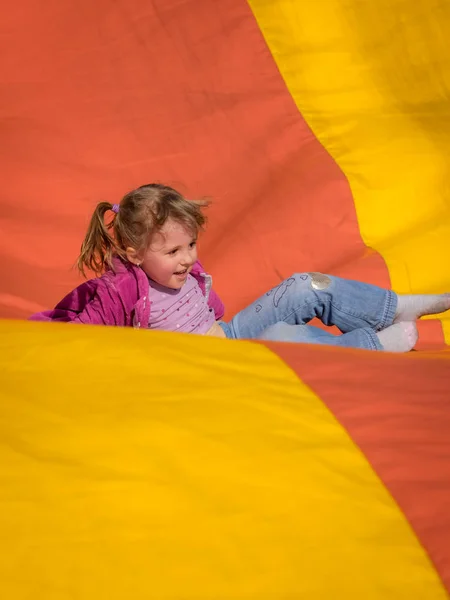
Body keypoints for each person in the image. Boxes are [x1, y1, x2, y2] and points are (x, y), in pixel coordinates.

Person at [30, 183, 450, 352]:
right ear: (135, 253)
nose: (189, 258)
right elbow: (82, 328)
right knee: (284, 336)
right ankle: (372, 345)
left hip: (231, 333)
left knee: (303, 285)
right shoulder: (122, 288)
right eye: (175, 251)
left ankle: (391, 308)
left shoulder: (172, 266)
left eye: (192, 244)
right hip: (218, 363)